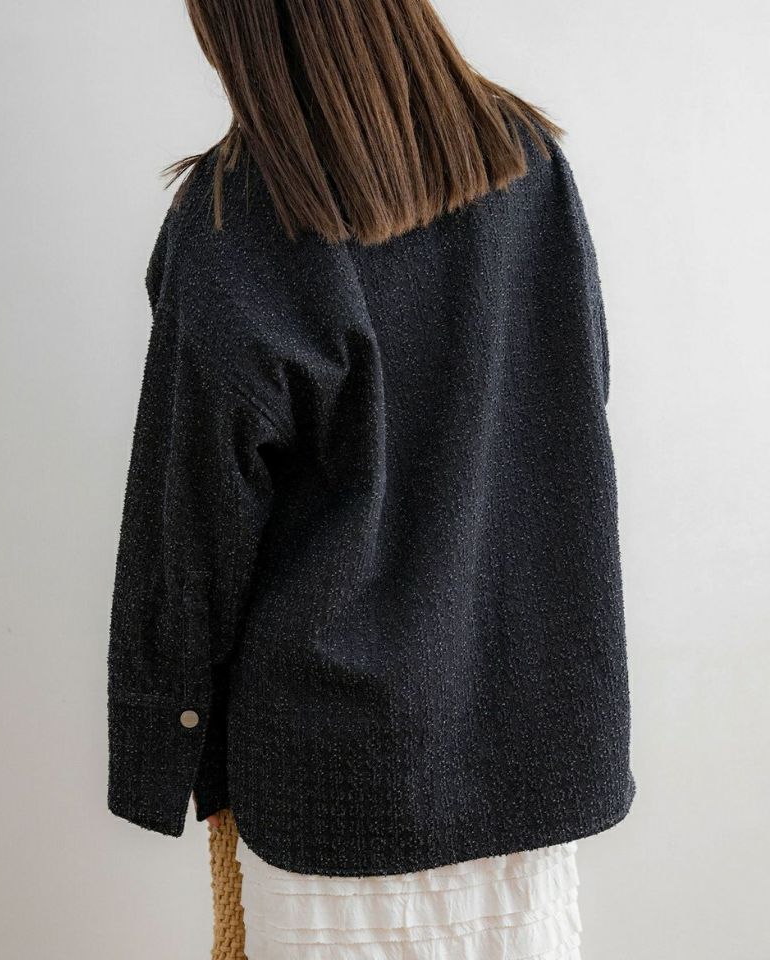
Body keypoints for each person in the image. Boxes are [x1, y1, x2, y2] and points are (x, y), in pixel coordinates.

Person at [107, 1, 637, 957]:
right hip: (523, 761)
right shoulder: (526, 162)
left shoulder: (239, 214)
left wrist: (166, 741)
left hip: (332, 783)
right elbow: (573, 405)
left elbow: (189, 522)